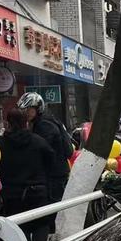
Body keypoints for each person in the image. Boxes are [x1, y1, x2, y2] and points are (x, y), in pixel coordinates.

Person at [0, 109, 54, 241]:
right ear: (26, 123)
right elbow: (51, 161)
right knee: (41, 223)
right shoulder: (38, 141)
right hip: (37, 192)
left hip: (12, 194)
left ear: (7, 123)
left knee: (19, 226)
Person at [16, 93, 72, 226]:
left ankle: (53, 232)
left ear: (38, 109)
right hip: (54, 172)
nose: (26, 113)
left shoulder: (44, 125)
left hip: (54, 174)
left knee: (52, 207)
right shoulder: (44, 121)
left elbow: (40, 149)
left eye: (29, 109)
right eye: (24, 110)